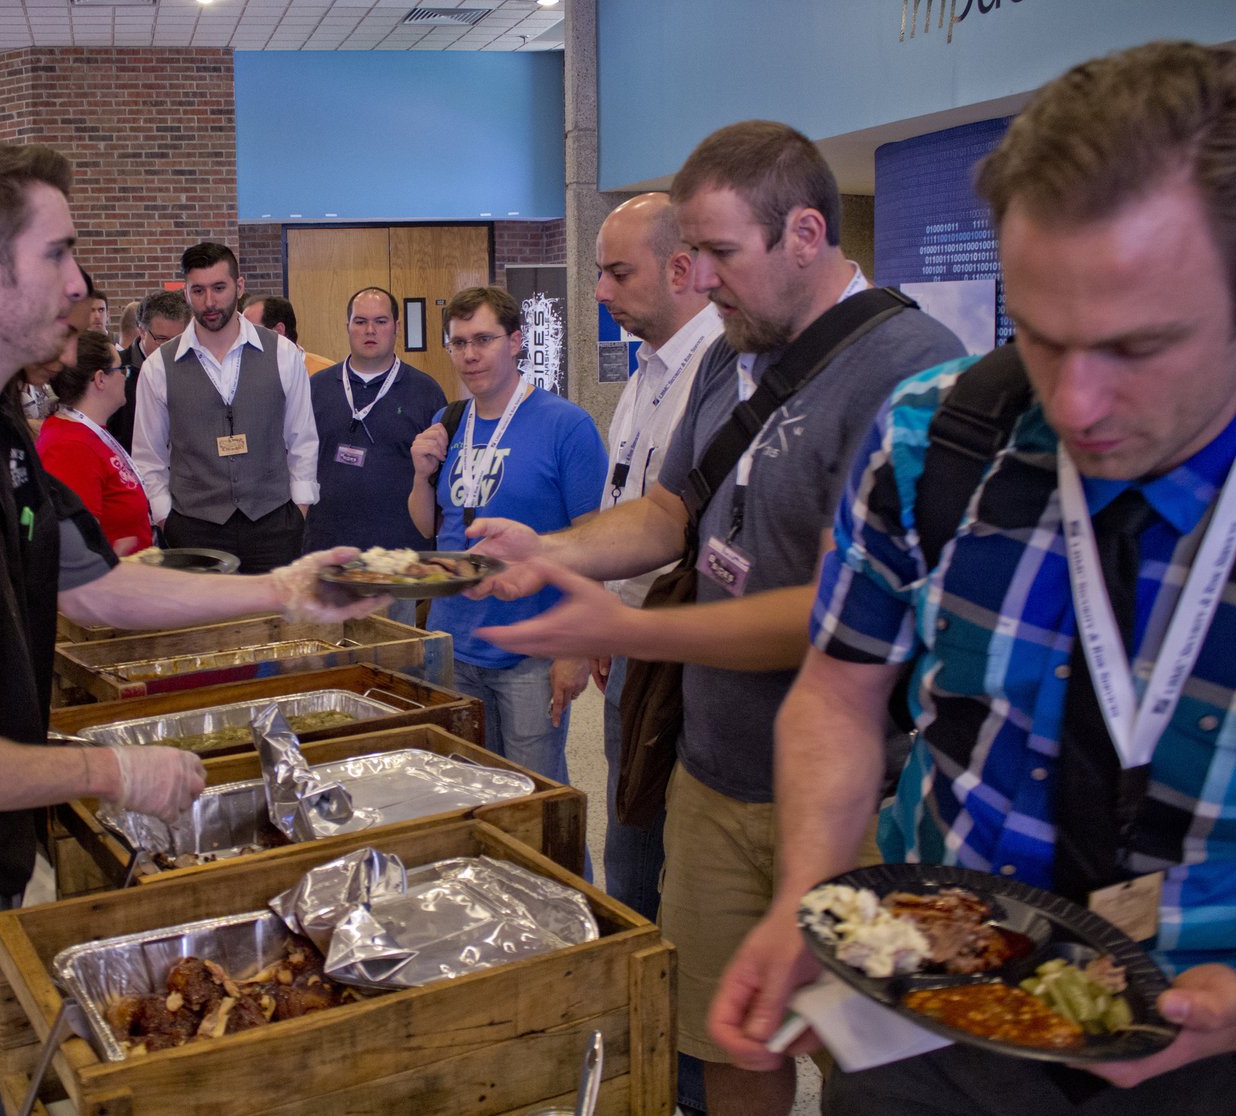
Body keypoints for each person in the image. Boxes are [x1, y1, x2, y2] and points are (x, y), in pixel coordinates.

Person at [0, 134, 378, 1116]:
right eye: (56, 253)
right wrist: (113, 774)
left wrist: (283, 590)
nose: (76, 284)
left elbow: (95, 589)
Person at [709, 42, 1236, 1113]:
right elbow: (838, 693)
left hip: (1202, 1041)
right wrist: (809, 888)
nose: (1076, 404)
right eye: (1040, 336)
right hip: (931, 1007)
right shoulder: (936, 434)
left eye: (1137, 348)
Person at [466, 121, 964, 1116]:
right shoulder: (734, 358)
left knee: (867, 1061)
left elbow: (849, 614)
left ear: (805, 234)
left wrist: (627, 631)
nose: (701, 279)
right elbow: (670, 513)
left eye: (721, 253)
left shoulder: (911, 369)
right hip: (715, 768)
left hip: (860, 797)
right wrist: (549, 552)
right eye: (690, 254)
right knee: (727, 1036)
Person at [408, 286, 606, 784]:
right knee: (470, 788)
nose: (469, 355)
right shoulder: (448, 421)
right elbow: (432, 527)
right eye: (458, 343)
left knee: (533, 794)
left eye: (483, 339)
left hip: (531, 649)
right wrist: (419, 475)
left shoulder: (567, 426)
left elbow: (596, 545)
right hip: (455, 643)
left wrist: (576, 647)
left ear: (515, 342)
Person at [591, 192, 722, 923]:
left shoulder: (718, 369)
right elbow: (624, 500)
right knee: (629, 842)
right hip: (631, 636)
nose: (600, 292)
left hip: (684, 651)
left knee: (671, 865)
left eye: (618, 273)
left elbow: (670, 526)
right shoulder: (646, 371)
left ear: (680, 269)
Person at [132, 242, 320, 574]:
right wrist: (165, 518)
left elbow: (302, 438)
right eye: (198, 290)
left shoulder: (283, 354)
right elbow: (149, 456)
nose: (209, 302)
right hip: (194, 526)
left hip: (274, 523)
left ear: (239, 286)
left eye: (219, 288)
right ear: (186, 293)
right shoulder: (158, 367)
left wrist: (299, 509)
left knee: (274, 609)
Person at [306, 286, 446, 625]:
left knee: (395, 653)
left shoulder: (425, 392)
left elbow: (439, 479)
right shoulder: (315, 388)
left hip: (397, 561)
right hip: (328, 556)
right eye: (361, 321)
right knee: (327, 652)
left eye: (381, 321)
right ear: (347, 327)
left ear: (397, 326)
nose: (370, 330)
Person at [38, 330, 153, 555]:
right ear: (100, 379)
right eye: (121, 369)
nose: (125, 376)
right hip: (111, 574)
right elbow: (79, 547)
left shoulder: (89, 434)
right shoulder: (70, 447)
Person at [109, 289, 190, 451]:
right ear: (141, 331)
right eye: (162, 339)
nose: (171, 348)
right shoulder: (117, 371)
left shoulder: (194, 368)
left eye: (178, 340)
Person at [243, 293, 339, 375]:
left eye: (250, 331)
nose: (242, 338)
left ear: (278, 331)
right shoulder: (244, 374)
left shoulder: (327, 374)